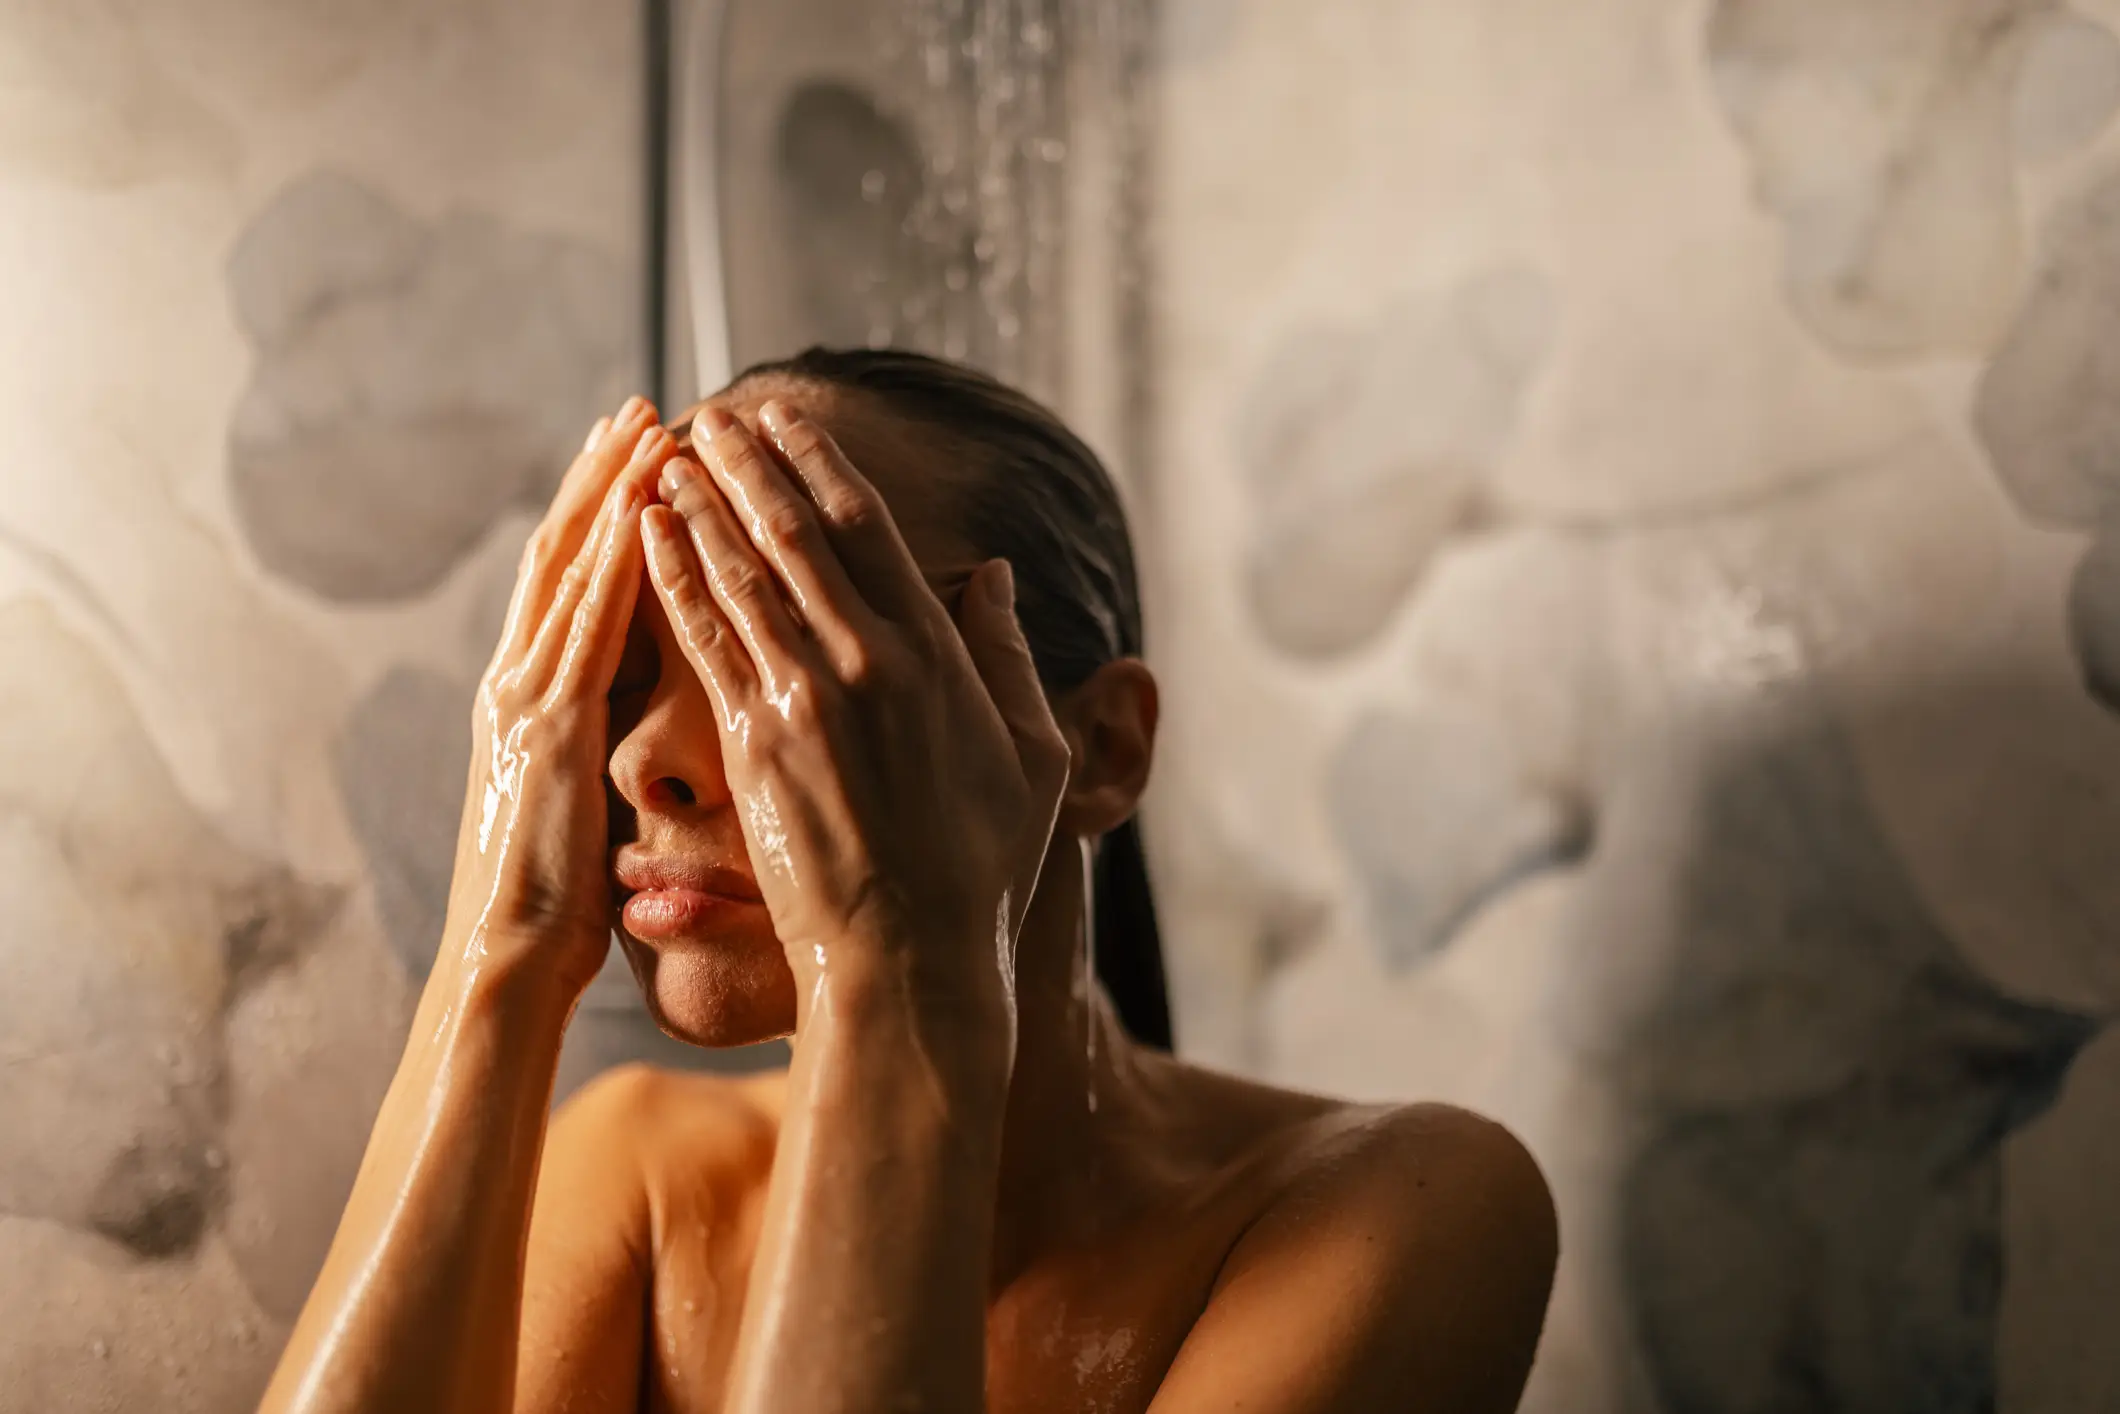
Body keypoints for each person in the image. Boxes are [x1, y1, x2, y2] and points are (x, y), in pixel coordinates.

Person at [258, 348, 1558, 1414]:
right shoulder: (640, 1172)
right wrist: (505, 939)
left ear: (1101, 749)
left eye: (788, 644)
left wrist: (895, 976)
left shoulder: (1397, 1209)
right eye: (630, 672)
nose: (644, 756)